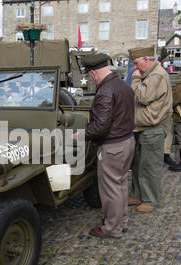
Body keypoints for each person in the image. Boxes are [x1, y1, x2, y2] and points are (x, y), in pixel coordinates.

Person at [73, 53, 135, 239]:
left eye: (88, 75)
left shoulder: (105, 90)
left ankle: (111, 228)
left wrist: (79, 136)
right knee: (120, 185)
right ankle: (120, 222)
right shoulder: (122, 84)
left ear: (92, 73)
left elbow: (100, 127)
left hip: (113, 146)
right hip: (127, 141)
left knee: (110, 189)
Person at [128, 46, 173, 213]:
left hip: (153, 127)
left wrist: (135, 81)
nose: (135, 67)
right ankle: (137, 194)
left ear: (146, 60)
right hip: (143, 126)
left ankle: (150, 199)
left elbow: (142, 96)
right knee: (139, 164)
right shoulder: (150, 74)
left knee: (150, 165)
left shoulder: (157, 75)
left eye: (137, 63)